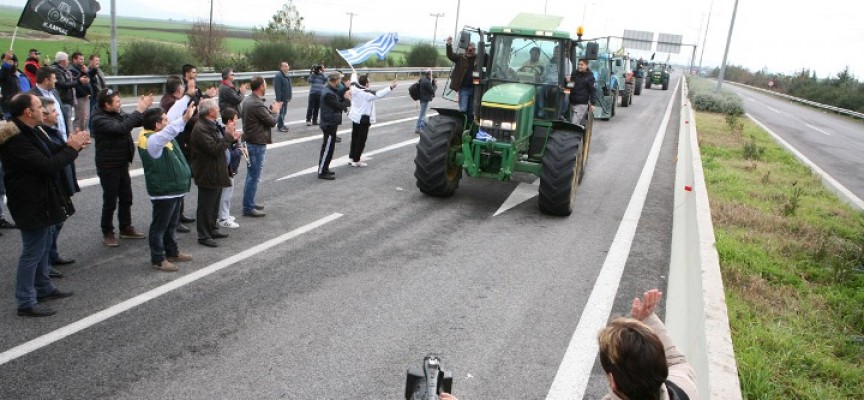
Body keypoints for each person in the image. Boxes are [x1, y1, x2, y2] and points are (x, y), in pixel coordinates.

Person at [0, 93, 88, 317]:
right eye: (40, 107)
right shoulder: (16, 140)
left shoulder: (34, 130)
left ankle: (43, 287)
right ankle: (26, 301)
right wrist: (72, 149)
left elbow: (50, 153)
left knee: (43, 245)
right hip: (30, 202)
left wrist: (70, 145)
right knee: (32, 251)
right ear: (28, 112)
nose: (46, 111)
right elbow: (47, 166)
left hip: (43, 199)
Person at [598, 289, 698, 400]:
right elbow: (677, 362)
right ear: (662, 368)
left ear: (613, 380)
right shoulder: (685, 389)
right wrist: (647, 320)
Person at [137, 97, 196, 271]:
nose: (168, 121)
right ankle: (158, 259)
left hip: (174, 189)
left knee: (171, 225)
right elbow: (169, 131)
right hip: (165, 191)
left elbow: (172, 118)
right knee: (159, 227)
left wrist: (186, 97)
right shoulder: (153, 141)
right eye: (164, 120)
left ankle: (172, 252)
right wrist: (184, 120)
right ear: (157, 125)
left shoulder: (157, 134)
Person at [91, 88, 151, 247]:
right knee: (110, 200)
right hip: (108, 165)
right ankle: (108, 232)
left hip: (122, 162)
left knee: (126, 197)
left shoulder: (116, 112)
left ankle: (125, 227)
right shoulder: (98, 119)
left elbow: (135, 120)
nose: (120, 104)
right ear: (106, 105)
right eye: (117, 102)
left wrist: (144, 109)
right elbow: (122, 128)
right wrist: (138, 110)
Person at [36, 97, 79, 276]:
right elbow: (52, 160)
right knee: (50, 228)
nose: (57, 114)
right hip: (51, 186)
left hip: (60, 182)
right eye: (54, 111)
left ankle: (52, 256)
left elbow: (61, 152)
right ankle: (44, 267)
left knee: (58, 222)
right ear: (43, 115)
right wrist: (71, 147)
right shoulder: (39, 134)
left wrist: (74, 146)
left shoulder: (49, 130)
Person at [190, 98, 239, 248]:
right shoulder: (201, 129)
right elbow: (214, 149)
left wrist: (230, 137)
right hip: (207, 172)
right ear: (210, 112)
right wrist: (229, 137)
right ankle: (203, 235)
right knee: (206, 205)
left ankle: (212, 228)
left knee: (214, 203)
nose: (219, 109)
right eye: (216, 108)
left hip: (216, 170)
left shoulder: (211, 125)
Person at [160, 75, 200, 233]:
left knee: (181, 181)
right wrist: (196, 111)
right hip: (174, 143)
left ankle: (179, 215)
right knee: (176, 182)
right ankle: (174, 220)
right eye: (183, 87)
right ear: (178, 89)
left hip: (179, 142)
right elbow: (187, 118)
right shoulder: (170, 103)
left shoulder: (170, 100)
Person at [239, 75, 281, 217]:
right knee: (254, 177)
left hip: (251, 141)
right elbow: (271, 122)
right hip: (256, 144)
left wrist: (269, 110)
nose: (266, 86)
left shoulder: (249, 100)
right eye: (265, 84)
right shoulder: (256, 103)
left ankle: (249, 202)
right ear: (261, 86)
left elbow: (260, 117)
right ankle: (248, 207)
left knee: (251, 176)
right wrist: (275, 111)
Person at [348, 74, 395, 167]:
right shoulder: (366, 94)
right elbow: (379, 94)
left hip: (355, 117)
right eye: (368, 81)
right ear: (366, 83)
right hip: (363, 119)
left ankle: (351, 157)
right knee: (361, 140)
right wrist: (390, 87)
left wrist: (354, 73)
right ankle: (356, 160)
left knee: (354, 138)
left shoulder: (353, 87)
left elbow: (353, 80)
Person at [317, 72, 352, 180]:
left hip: (331, 122)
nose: (340, 82)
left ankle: (325, 168)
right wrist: (347, 99)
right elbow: (338, 106)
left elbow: (338, 95)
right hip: (329, 123)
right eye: (340, 80)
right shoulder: (328, 93)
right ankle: (322, 171)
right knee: (327, 148)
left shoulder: (331, 90)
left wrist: (346, 89)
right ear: (336, 80)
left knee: (330, 148)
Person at [52, 51, 89, 137]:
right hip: (64, 99)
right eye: (67, 59)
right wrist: (79, 81)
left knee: (67, 121)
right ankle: (68, 141)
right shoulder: (57, 71)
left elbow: (73, 80)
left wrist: (83, 73)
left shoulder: (63, 70)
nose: (68, 61)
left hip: (67, 99)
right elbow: (63, 84)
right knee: (66, 123)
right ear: (63, 61)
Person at [217, 107, 242, 229]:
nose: (236, 122)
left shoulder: (226, 132)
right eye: (235, 120)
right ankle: (223, 218)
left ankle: (224, 215)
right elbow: (226, 153)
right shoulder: (224, 133)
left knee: (227, 194)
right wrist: (237, 147)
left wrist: (235, 142)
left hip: (230, 168)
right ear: (229, 121)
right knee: (225, 194)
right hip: (227, 169)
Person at [445, 36, 477, 122]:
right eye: (467, 49)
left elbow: (487, 59)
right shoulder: (461, 58)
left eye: (470, 50)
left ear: (474, 50)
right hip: (464, 88)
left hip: (475, 89)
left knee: (471, 111)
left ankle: (469, 128)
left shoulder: (478, 59)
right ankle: (461, 126)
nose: (468, 51)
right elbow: (450, 55)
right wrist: (449, 45)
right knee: (463, 109)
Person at [568, 58, 597, 126]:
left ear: (586, 66)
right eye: (578, 64)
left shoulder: (590, 77)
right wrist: (568, 82)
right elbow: (570, 86)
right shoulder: (574, 73)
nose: (579, 66)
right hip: (571, 103)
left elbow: (592, 90)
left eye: (582, 65)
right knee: (571, 123)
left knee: (574, 124)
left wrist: (593, 104)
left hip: (581, 104)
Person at [70, 52, 92, 131]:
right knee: (80, 117)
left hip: (85, 95)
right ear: (74, 60)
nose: (82, 61)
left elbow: (88, 79)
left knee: (85, 117)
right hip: (79, 96)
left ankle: (83, 133)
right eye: (80, 59)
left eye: (83, 59)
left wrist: (86, 72)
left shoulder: (81, 68)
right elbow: (76, 82)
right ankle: (78, 135)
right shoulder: (71, 70)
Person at [1, 51, 23, 120]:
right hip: (9, 109)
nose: (7, 63)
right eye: (3, 62)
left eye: (10, 62)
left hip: (18, 108)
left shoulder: (17, 75)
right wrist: (7, 62)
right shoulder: (5, 74)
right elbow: (3, 74)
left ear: (16, 63)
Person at [274, 61, 293, 132]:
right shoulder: (279, 76)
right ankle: (280, 126)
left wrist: (290, 96)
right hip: (281, 98)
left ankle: (282, 125)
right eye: (285, 66)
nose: (287, 67)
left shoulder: (286, 75)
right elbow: (277, 88)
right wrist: (279, 99)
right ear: (281, 67)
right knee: (281, 113)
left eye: (287, 66)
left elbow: (289, 87)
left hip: (286, 97)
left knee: (284, 113)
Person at [415, 69, 436, 134]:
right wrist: (435, 85)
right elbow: (431, 91)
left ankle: (419, 127)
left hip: (422, 98)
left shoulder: (422, 79)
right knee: (423, 114)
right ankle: (420, 128)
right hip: (425, 99)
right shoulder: (427, 81)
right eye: (431, 74)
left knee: (422, 113)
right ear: (429, 74)